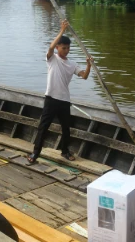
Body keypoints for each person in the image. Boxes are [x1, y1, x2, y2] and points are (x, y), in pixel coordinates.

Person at [27, 20, 93, 163]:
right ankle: (35, 153)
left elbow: (85, 76)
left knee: (66, 129)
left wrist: (89, 65)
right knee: (43, 128)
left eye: (68, 48)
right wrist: (62, 30)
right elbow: (50, 47)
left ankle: (65, 151)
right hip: (51, 99)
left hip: (64, 101)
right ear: (58, 48)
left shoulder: (72, 64)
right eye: (63, 48)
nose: (66, 50)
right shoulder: (52, 59)